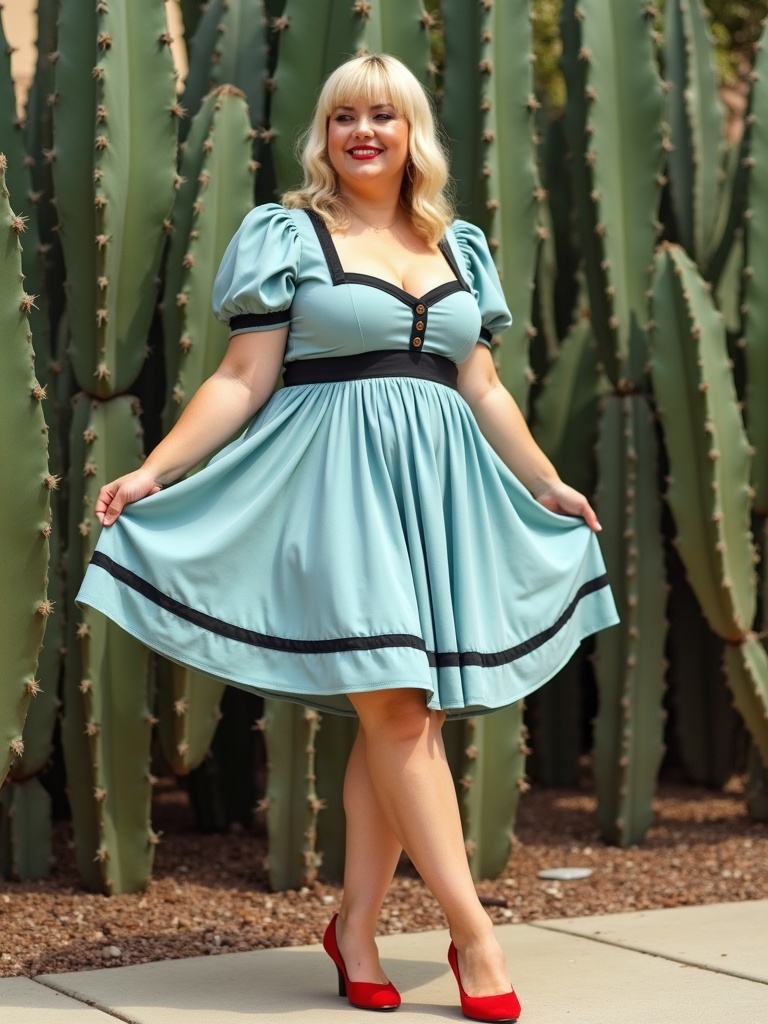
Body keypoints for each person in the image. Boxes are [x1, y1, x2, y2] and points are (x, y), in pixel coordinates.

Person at [78, 53, 618, 1022]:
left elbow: (482, 386)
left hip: (439, 497)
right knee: (403, 711)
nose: (362, 132)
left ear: (414, 133)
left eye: (382, 115)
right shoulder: (290, 234)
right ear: (322, 134)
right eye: (342, 118)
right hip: (337, 492)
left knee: (404, 721)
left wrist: (547, 480)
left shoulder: (459, 246)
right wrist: (156, 468)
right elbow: (243, 377)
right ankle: (474, 934)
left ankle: (354, 926)